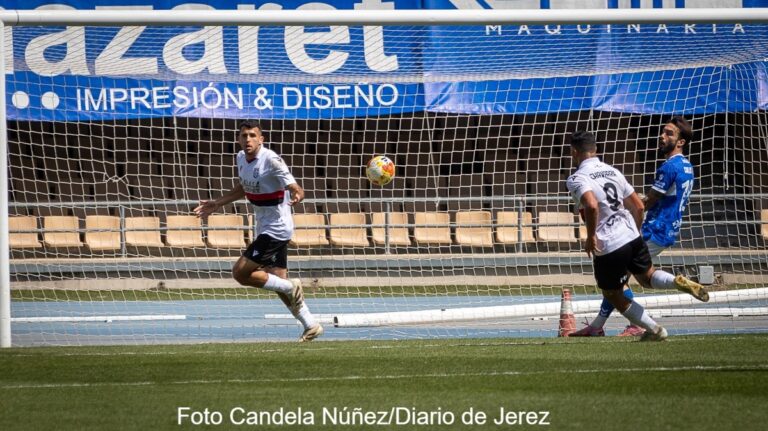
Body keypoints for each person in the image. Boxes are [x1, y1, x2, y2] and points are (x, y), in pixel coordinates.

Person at [564, 130, 708, 342]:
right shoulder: (613, 171)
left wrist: (591, 236)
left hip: (610, 244)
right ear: (595, 150)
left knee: (613, 294)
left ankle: (654, 330)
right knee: (647, 277)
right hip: (632, 235)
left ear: (573, 152)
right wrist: (635, 233)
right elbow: (639, 206)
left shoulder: (577, 178)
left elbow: (592, 205)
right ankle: (676, 282)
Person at [194, 120, 323, 342]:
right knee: (277, 281)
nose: (248, 140)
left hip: (276, 228)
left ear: (261, 139)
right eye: (244, 136)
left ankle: (291, 287)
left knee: (240, 273)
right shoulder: (240, 158)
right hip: (263, 226)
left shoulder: (271, 160)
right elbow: (244, 187)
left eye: (253, 135)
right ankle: (310, 324)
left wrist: (298, 193)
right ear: (238, 139)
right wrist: (218, 203)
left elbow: (293, 184)